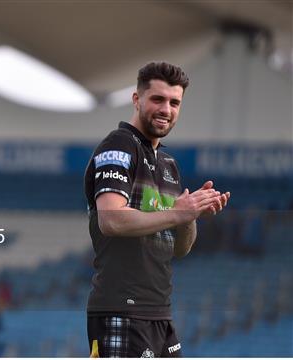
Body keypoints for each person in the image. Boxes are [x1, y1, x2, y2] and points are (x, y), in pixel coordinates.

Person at [84, 62, 230, 357]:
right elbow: (110, 220)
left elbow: (178, 249)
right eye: (158, 99)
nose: (167, 109)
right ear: (137, 100)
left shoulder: (169, 166)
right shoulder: (119, 145)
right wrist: (178, 213)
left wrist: (190, 217)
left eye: (175, 102)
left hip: (159, 313)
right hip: (121, 310)